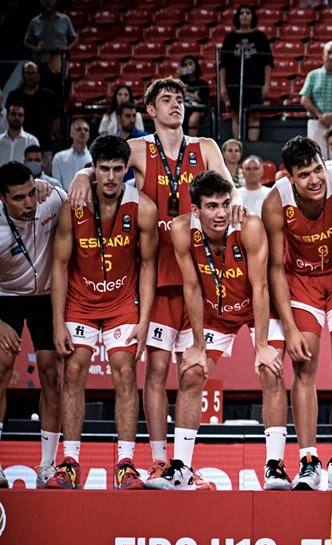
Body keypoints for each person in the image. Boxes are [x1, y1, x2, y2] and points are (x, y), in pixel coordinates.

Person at [67, 77, 241, 484]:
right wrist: (80, 176)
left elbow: (227, 194)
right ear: (150, 110)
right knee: (157, 371)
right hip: (159, 273)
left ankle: (183, 465)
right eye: (166, 100)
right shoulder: (137, 149)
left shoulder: (207, 147)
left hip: (202, 272)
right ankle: (160, 462)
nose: (176, 105)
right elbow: (103, 165)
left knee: (194, 373)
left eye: (180, 99)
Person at [151, 171, 286, 490]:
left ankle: (275, 466)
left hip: (256, 307)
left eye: (226, 204)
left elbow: (261, 287)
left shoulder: (249, 226)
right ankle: (181, 467)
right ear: (195, 210)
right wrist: (197, 344)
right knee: (191, 374)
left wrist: (262, 344)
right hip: (215, 310)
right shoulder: (182, 230)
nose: (221, 213)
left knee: (271, 371)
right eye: (211, 206)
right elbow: (192, 288)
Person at [47, 135, 157, 490]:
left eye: (117, 169)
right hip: (80, 301)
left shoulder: (143, 207)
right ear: (93, 169)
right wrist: (57, 321)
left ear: (126, 171)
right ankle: (70, 461)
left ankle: (126, 463)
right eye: (104, 169)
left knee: (125, 373)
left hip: (123, 304)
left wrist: (143, 320)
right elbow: (60, 265)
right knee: (74, 371)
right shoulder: (73, 206)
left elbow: (149, 266)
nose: (110, 176)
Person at [261, 136, 332, 491]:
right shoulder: (275, 203)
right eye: (305, 175)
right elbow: (274, 267)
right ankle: (308, 461)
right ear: (289, 177)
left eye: (318, 169)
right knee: (304, 368)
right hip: (301, 282)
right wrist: (288, 327)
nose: (315, 179)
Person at [0, 162, 64, 489]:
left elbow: (80, 198)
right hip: (6, 295)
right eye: (18, 198)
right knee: (1, 365)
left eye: (30, 194)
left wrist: (48, 186)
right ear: (2, 199)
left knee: (53, 374)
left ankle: (48, 466)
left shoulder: (50, 200)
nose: (28, 204)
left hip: (47, 294)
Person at [220, 4, 273, 141]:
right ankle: (237, 146)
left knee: (254, 115)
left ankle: (252, 145)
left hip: (255, 83)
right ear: (237, 17)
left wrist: (266, 84)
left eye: (247, 12)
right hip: (234, 83)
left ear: (252, 16)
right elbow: (223, 64)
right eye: (241, 12)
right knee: (235, 115)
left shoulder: (260, 37)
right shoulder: (230, 38)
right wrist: (222, 85)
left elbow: (267, 63)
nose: (244, 15)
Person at [23, 0, 77, 99]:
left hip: (59, 62)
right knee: (42, 93)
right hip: (41, 63)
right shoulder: (34, 22)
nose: (48, 2)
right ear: (40, 2)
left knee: (61, 92)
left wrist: (67, 48)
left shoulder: (65, 19)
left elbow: (75, 37)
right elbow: (26, 41)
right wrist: (34, 48)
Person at [8, 62, 59, 154]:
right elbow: (7, 119)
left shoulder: (49, 96)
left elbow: (56, 123)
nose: (30, 76)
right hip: (19, 145)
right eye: (27, 73)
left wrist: (50, 137)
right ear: (23, 75)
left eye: (33, 73)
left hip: (44, 147)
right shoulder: (14, 96)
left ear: (38, 75)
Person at [51, 118, 91, 190]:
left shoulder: (94, 158)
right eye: (79, 129)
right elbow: (56, 185)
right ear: (71, 133)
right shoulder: (59, 158)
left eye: (86, 130)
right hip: (64, 198)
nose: (83, 132)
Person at [178, 55, 211, 136]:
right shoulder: (180, 82)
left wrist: (186, 93)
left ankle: (191, 142)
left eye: (190, 64)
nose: (188, 67)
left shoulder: (203, 83)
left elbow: (202, 99)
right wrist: (177, 76)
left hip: (198, 108)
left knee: (194, 117)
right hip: (183, 106)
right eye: (185, 65)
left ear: (195, 65)